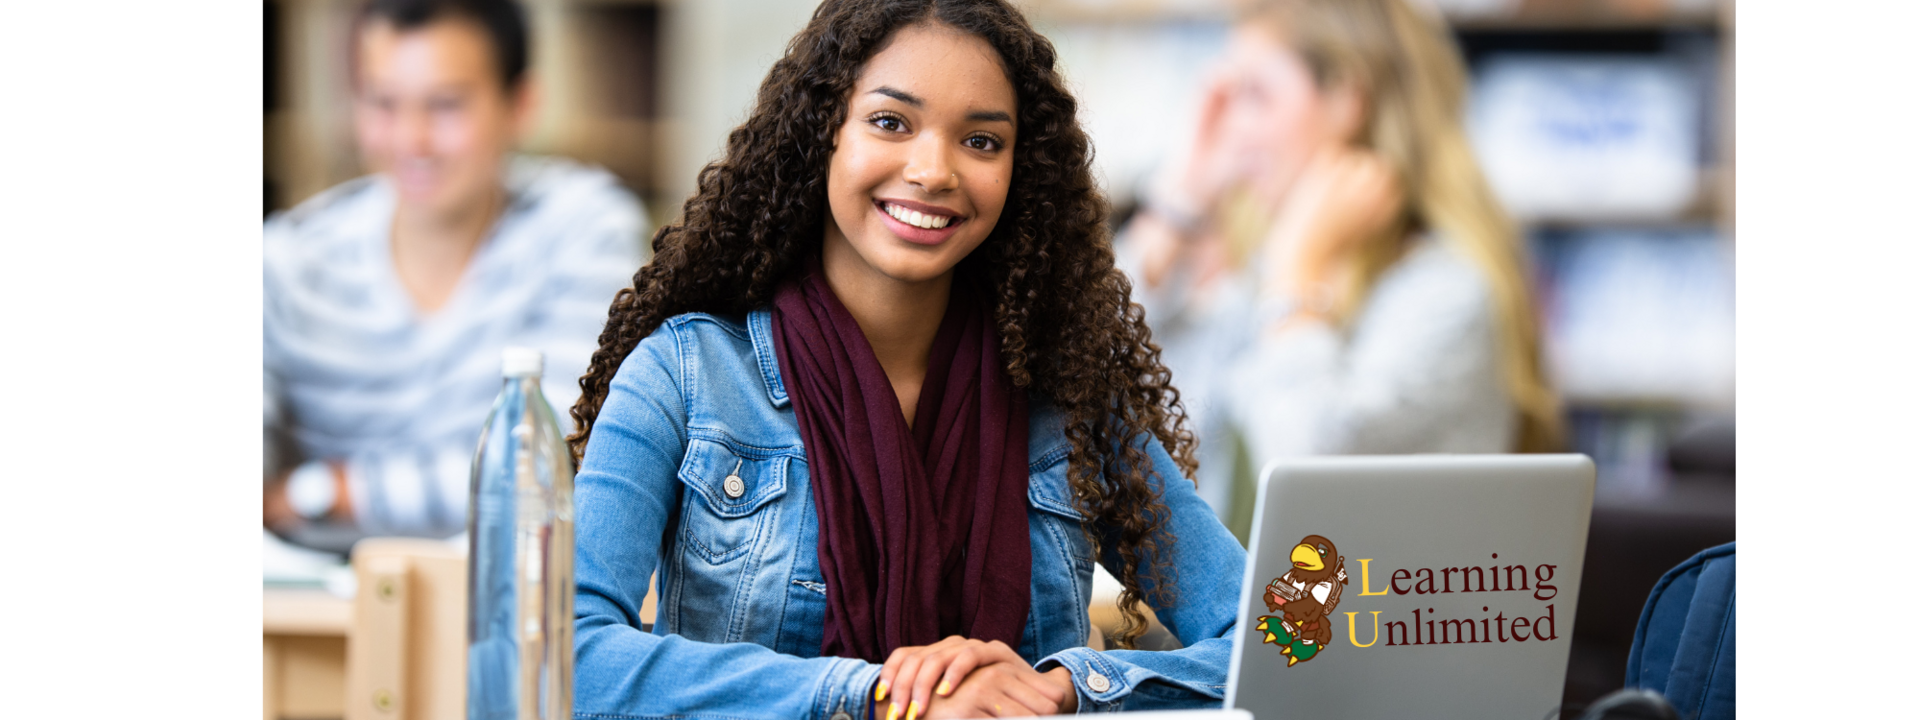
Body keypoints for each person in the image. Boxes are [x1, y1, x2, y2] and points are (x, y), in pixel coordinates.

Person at [566, 1, 1243, 718]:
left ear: (1022, 171)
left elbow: (1289, 637)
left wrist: (1063, 688)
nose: (933, 170)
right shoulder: (686, 374)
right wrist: (876, 694)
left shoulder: (1067, 397)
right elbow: (564, 655)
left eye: (982, 141)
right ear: (821, 132)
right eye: (890, 122)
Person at [1117, 0, 1561, 525]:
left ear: (1347, 99)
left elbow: (1312, 496)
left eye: (1256, 96)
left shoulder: (1446, 293)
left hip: (1372, 606)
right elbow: (1107, 376)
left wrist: (1298, 273)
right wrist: (1180, 200)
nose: (1233, 131)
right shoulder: (1267, 272)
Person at [263, 0, 645, 551]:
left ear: (520, 104)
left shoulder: (583, 229)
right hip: (313, 618)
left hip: (511, 603)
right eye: (383, 103)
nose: (411, 140)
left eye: (444, 105)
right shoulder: (290, 258)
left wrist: (323, 491)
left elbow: (558, 454)